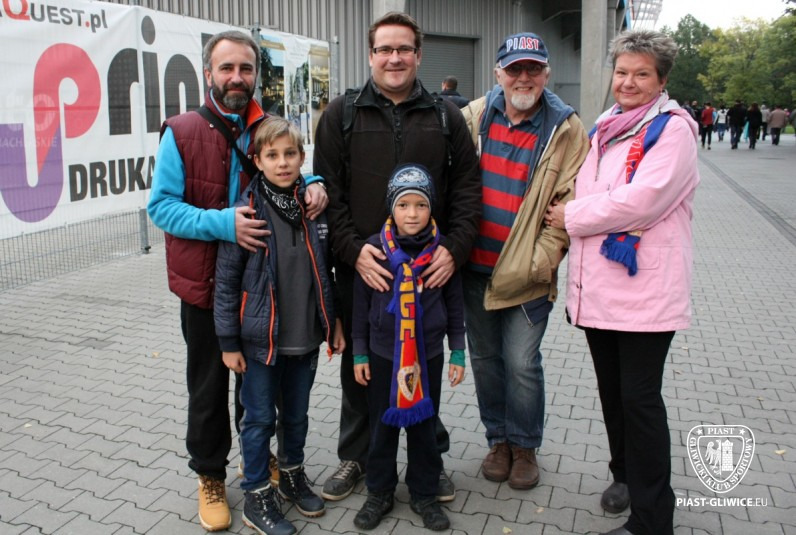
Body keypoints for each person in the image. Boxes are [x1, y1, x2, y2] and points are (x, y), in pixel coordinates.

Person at [147, 30, 327, 532]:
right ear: (208, 73)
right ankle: (210, 475)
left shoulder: (266, 126)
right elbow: (161, 207)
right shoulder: (182, 131)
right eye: (226, 68)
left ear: (255, 75)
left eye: (245, 68)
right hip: (205, 286)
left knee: (257, 390)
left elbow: (288, 168)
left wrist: (315, 183)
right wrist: (223, 223)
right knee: (208, 388)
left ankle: (260, 465)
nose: (236, 77)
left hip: (261, 289)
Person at [313, 11, 481, 503]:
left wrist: (453, 249)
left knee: (425, 364)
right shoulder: (341, 114)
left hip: (428, 271)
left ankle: (430, 460)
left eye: (403, 49)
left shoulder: (446, 117)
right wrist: (353, 252)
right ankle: (357, 457)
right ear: (370, 56)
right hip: (365, 270)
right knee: (361, 367)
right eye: (384, 49)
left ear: (418, 55)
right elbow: (328, 196)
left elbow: (468, 191)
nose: (394, 58)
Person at [545, 29, 699, 535]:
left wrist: (571, 216)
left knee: (640, 400)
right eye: (621, 72)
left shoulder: (673, 131)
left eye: (641, 74)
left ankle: (653, 518)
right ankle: (625, 477)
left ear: (661, 80)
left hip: (645, 294)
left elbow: (643, 200)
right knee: (613, 395)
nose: (628, 82)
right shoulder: (607, 126)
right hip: (600, 290)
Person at [459, 32, 589, 490]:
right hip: (475, 269)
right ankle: (498, 441)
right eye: (515, 68)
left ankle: (526, 446)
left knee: (521, 364)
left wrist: (541, 261)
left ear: (546, 74)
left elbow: (569, 201)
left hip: (529, 274)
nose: (524, 77)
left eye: (533, 68)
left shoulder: (566, 128)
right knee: (486, 361)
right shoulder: (473, 117)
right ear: (498, 73)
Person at [213, 117, 344, 535]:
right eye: (272, 155)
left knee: (297, 416)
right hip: (259, 343)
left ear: (302, 157)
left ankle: (290, 473)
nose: (282, 162)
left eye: (290, 154)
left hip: (304, 338)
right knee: (257, 421)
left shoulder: (314, 209)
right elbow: (226, 284)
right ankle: (256, 494)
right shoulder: (246, 215)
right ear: (258, 161)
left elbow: (328, 272)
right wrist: (228, 342)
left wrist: (334, 321)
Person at [350, 164, 466, 532]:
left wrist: (458, 351)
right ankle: (379, 492)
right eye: (403, 205)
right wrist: (360, 353)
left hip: (428, 355)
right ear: (391, 207)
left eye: (420, 205)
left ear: (432, 207)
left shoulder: (441, 254)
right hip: (383, 354)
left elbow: (455, 305)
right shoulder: (374, 251)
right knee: (381, 428)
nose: (412, 214)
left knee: (424, 428)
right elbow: (359, 307)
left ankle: (424, 494)